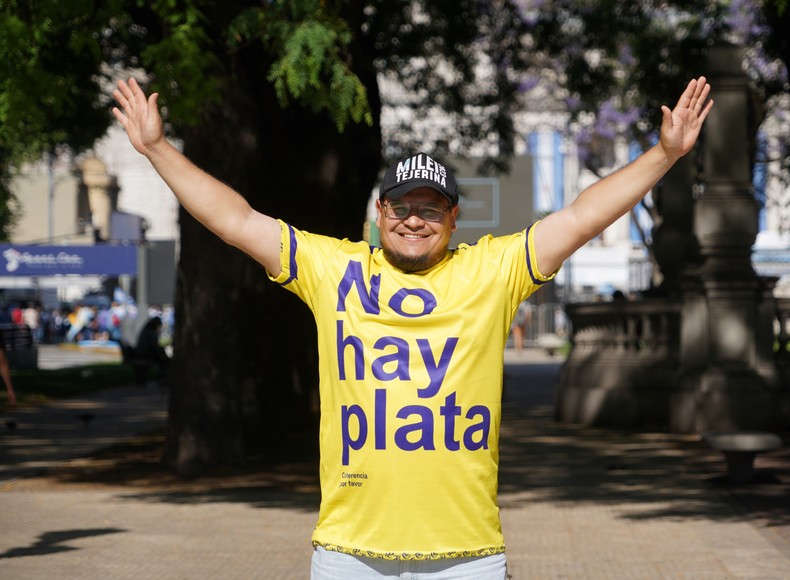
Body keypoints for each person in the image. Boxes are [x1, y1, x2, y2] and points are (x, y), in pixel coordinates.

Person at [112, 74, 712, 579]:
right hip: (348, 554)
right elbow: (237, 220)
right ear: (381, 212)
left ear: (453, 217)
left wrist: (664, 155)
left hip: (466, 556)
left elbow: (581, 217)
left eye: (430, 208)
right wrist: (158, 148)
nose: (414, 221)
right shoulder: (334, 270)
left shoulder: (492, 273)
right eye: (402, 207)